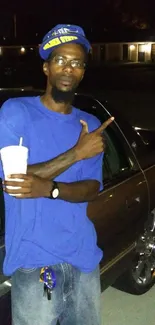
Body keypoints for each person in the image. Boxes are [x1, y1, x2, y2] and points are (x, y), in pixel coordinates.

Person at [0, 24, 114, 325]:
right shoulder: (16, 112)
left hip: (84, 258)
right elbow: (12, 181)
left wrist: (49, 188)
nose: (69, 68)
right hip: (33, 262)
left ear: (83, 72)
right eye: (61, 60)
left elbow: (91, 189)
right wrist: (77, 153)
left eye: (77, 62)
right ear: (46, 67)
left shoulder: (89, 124)